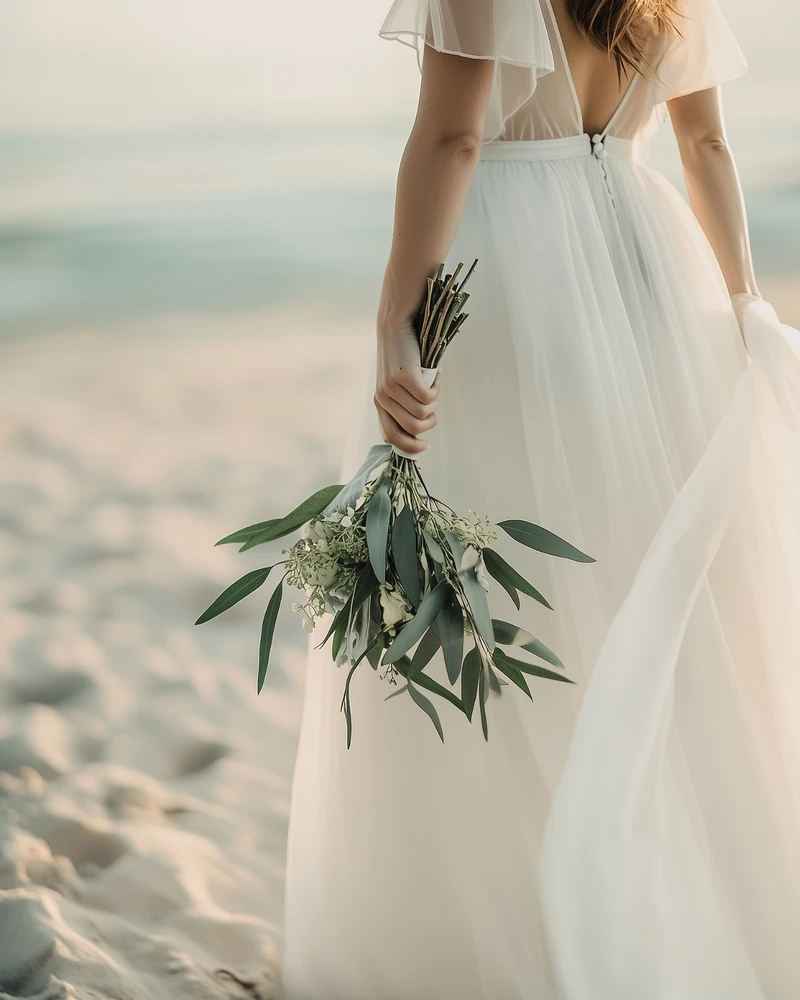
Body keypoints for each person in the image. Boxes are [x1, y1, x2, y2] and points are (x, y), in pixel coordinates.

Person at [282, 1, 800, 997]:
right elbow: (703, 141)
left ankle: (515, 918)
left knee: (507, 607)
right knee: (633, 594)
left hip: (516, 281)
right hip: (654, 275)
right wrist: (741, 307)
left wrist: (399, 313)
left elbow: (452, 135)